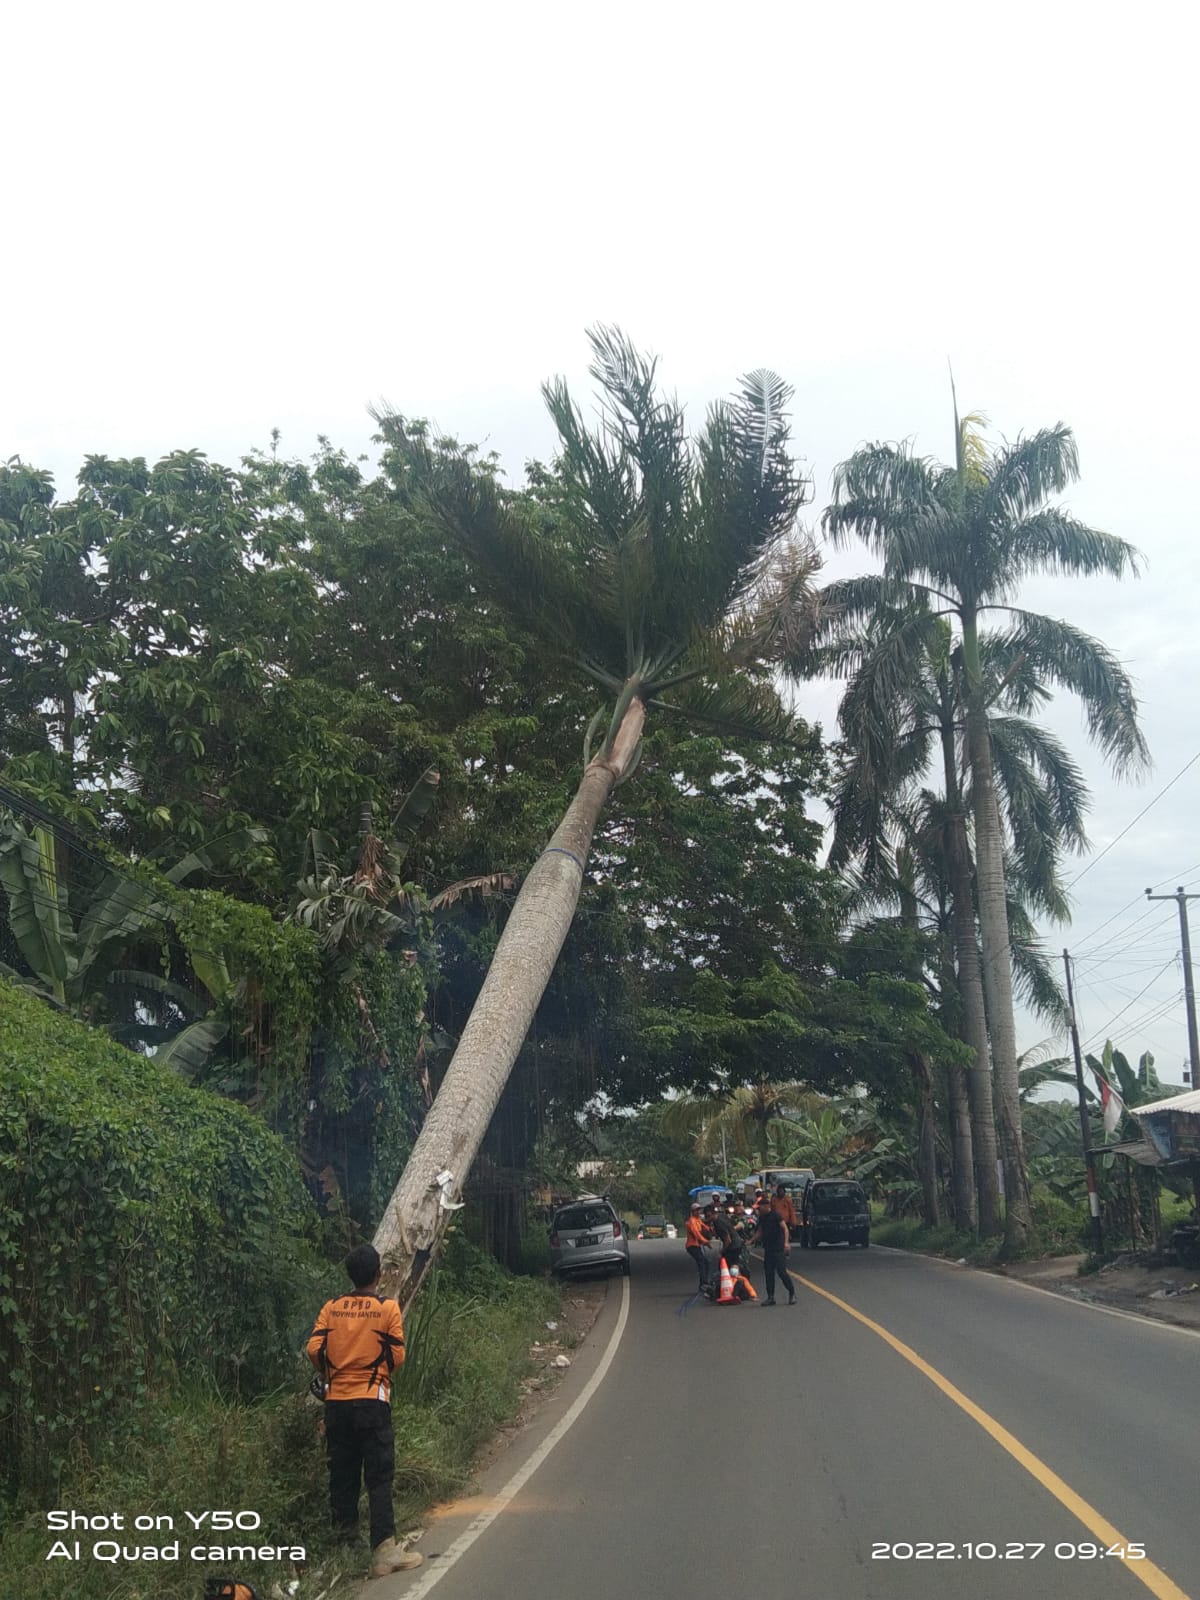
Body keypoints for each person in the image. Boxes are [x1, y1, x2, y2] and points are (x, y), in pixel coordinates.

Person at [307, 1244, 423, 1579]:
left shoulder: (332, 1307)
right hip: (372, 1401)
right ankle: (384, 1551)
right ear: (379, 1274)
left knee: (341, 1477)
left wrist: (332, 1374)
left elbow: (314, 1348)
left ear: (350, 1275)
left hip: (337, 1405)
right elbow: (397, 1356)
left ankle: (344, 1549)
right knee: (379, 1476)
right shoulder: (387, 1309)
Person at [750, 1199, 796, 1306]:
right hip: (768, 1248)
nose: (759, 1210)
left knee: (781, 1272)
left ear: (766, 1206)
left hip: (778, 1248)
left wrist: (786, 1243)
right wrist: (751, 1240)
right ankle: (771, 1297)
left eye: (760, 1207)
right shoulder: (762, 1218)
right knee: (769, 1273)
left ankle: (792, 1293)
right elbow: (760, 1231)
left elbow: (785, 1229)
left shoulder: (775, 1215)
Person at [685, 1202, 713, 1289]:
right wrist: (706, 1242)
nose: (698, 1212)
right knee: (702, 1262)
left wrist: (711, 1229)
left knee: (705, 1262)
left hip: (697, 1245)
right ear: (692, 1212)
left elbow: (704, 1226)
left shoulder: (698, 1219)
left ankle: (703, 1282)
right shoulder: (691, 1221)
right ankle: (704, 1283)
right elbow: (696, 1234)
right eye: (696, 1210)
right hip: (692, 1246)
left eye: (699, 1210)